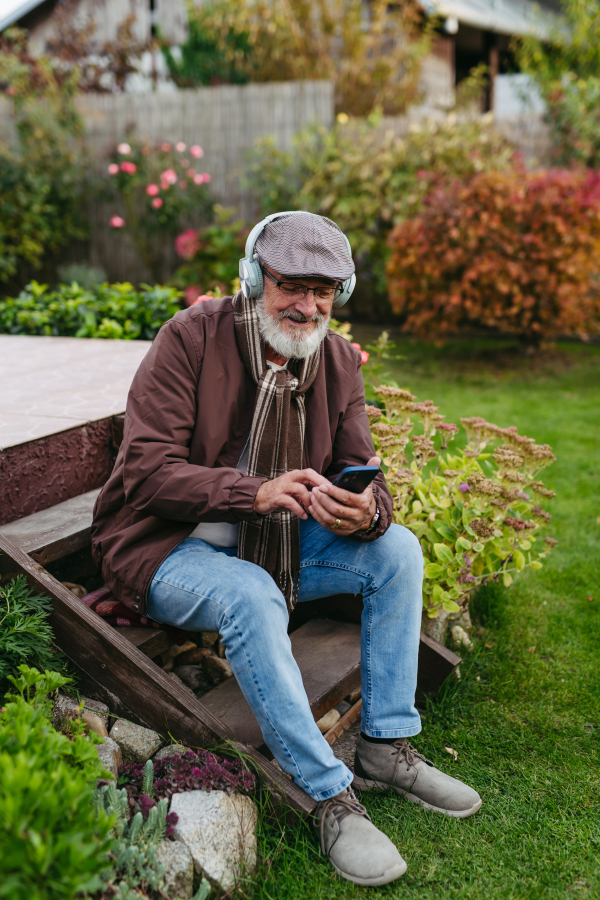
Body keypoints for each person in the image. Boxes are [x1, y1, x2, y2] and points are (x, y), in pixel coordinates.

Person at [91, 211, 481, 886]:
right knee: (251, 591)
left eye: (324, 290)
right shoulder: (190, 338)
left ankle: (387, 747)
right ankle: (328, 797)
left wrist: (365, 513)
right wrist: (255, 493)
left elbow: (367, 473)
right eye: (291, 285)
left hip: (275, 542)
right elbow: (145, 474)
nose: (307, 305)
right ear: (252, 278)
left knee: (399, 552)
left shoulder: (332, 358)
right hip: (164, 547)